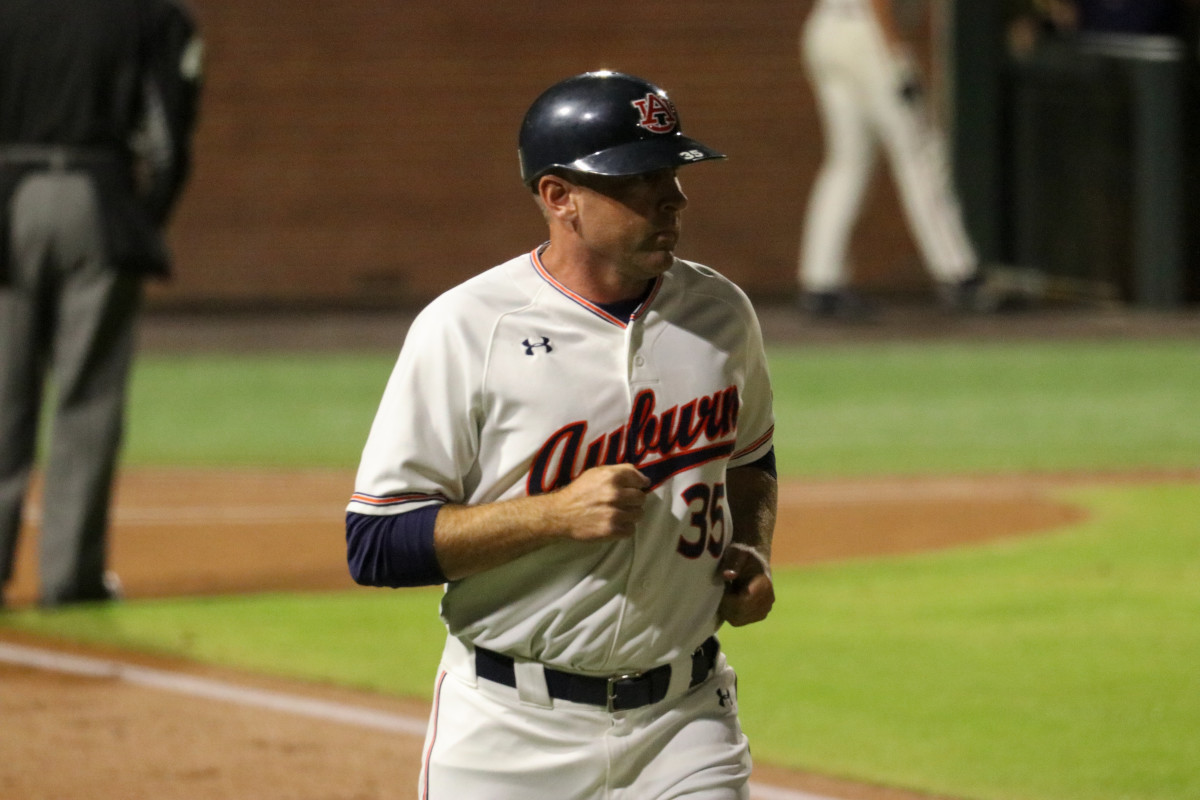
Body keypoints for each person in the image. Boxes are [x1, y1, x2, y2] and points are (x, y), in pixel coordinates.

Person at [346, 70, 778, 799]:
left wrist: (753, 547)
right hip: (509, 733)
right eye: (642, 180)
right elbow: (376, 544)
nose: (674, 200)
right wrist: (553, 514)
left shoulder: (720, 313)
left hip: (685, 722)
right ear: (559, 198)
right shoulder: (467, 328)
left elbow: (752, 454)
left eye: (672, 173)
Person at [0, 0, 203, 608]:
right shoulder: (149, 15)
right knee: (87, 400)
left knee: (1, 396)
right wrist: (144, 223)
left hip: (4, 207)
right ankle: (69, 579)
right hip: (96, 202)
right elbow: (168, 135)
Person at [798, 0, 988, 317]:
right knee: (921, 155)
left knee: (848, 164)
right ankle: (959, 275)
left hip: (826, 29)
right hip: (867, 36)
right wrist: (897, 60)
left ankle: (821, 282)